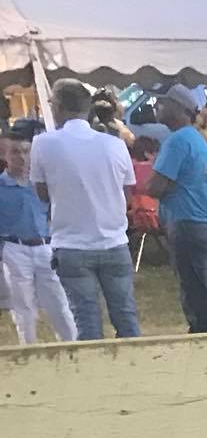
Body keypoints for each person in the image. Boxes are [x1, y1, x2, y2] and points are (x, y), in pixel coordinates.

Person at [30, 79, 140, 340]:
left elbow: (43, 194)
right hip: (114, 241)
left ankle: (94, 376)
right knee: (125, 315)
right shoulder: (115, 144)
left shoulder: (43, 143)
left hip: (72, 243)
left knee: (86, 319)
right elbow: (127, 195)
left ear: (57, 106)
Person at [145, 85, 207, 333]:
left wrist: (147, 183)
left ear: (181, 109)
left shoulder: (176, 141)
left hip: (186, 224)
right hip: (204, 223)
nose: (156, 106)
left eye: (163, 102)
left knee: (196, 298)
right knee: (201, 291)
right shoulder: (196, 139)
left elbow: (156, 186)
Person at [0, 118, 76, 343]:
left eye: (26, 152)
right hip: (15, 248)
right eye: (15, 152)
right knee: (22, 306)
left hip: (45, 246)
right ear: (5, 155)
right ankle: (28, 349)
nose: (20, 157)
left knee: (58, 301)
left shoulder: (42, 183)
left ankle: (71, 344)